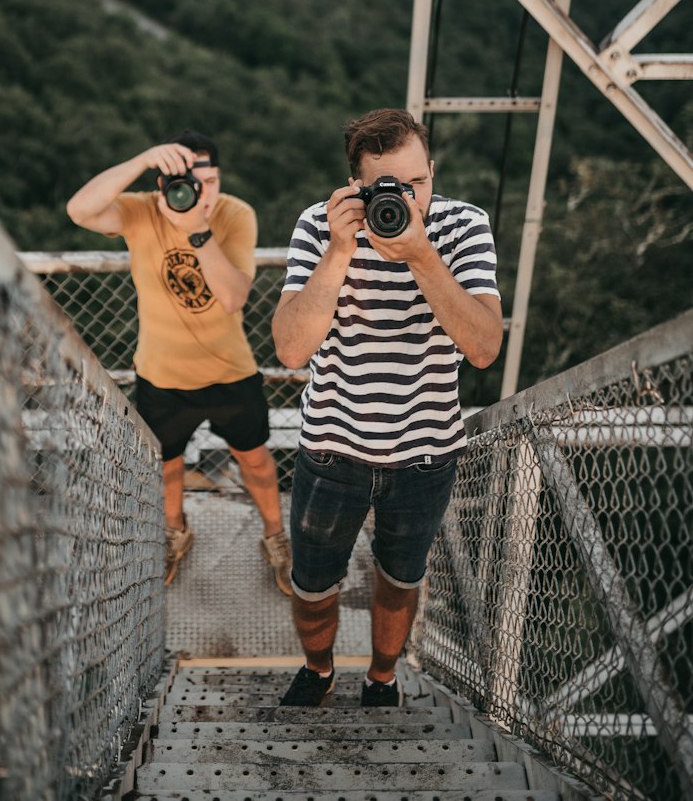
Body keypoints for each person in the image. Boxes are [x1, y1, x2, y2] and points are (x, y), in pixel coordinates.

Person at [272, 108, 503, 708]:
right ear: (356, 187)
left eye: (416, 183)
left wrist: (422, 255)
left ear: (432, 170)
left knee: (401, 581)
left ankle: (380, 678)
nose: (405, 198)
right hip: (332, 444)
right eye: (387, 189)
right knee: (313, 584)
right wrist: (340, 252)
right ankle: (319, 670)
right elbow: (292, 348)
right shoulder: (320, 227)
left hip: (426, 450)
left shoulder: (463, 226)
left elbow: (482, 348)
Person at [66, 130, 292, 593]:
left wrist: (196, 230)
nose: (203, 193)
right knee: (166, 465)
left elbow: (232, 297)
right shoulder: (143, 209)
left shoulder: (234, 214)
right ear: (165, 181)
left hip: (230, 370)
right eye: (191, 182)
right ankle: (175, 532)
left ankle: (275, 535)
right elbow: (80, 210)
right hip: (161, 375)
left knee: (256, 461)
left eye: (211, 181)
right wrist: (143, 159)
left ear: (220, 179)